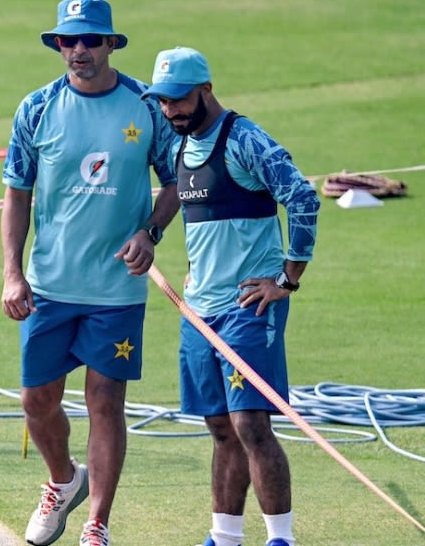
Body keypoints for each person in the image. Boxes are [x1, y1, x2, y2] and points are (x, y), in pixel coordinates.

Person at [1, 0, 180, 546]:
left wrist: (150, 233)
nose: (79, 51)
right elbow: (16, 195)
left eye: (90, 40)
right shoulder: (36, 108)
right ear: (59, 46)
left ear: (110, 44)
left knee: (105, 402)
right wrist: (12, 273)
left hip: (115, 290)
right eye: (68, 41)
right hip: (51, 285)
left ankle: (97, 524)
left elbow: (176, 184)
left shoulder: (146, 108)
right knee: (38, 402)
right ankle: (62, 480)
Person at [140, 47, 320, 546]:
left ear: (206, 90)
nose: (171, 110)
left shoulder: (243, 139)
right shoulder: (179, 143)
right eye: (163, 102)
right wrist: (148, 235)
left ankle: (280, 538)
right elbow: (174, 193)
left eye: (179, 100)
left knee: (250, 424)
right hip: (199, 312)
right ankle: (224, 537)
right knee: (219, 426)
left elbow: (302, 197)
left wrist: (286, 281)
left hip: (247, 308)